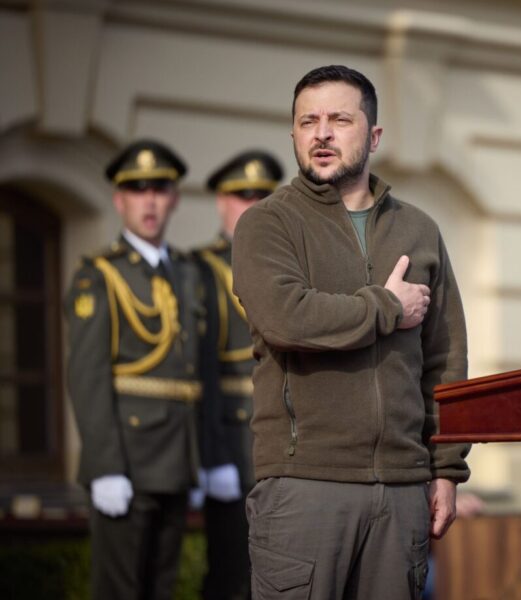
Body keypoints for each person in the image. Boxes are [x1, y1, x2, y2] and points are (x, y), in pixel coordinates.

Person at [231, 64, 471, 600]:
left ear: (374, 135)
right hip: (304, 484)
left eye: (339, 120)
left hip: (403, 489)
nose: (321, 134)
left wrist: (447, 469)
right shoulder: (267, 223)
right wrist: (387, 307)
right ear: (293, 134)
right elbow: (287, 317)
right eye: (307, 121)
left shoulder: (419, 230)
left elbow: (445, 358)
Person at [65, 139, 208, 599]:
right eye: (138, 189)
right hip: (127, 460)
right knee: (120, 590)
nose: (150, 201)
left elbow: (194, 374)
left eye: (160, 189)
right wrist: (105, 466)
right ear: (119, 200)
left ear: (175, 198)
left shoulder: (187, 272)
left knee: (161, 588)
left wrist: (199, 458)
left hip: (177, 460)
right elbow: (87, 378)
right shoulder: (100, 275)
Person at [194, 150, 283, 600]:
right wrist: (210, 456)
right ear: (221, 202)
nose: (252, 206)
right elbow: (198, 373)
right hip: (231, 440)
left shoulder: (286, 268)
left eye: (261, 196)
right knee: (230, 572)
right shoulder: (201, 270)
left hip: (280, 440)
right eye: (242, 196)